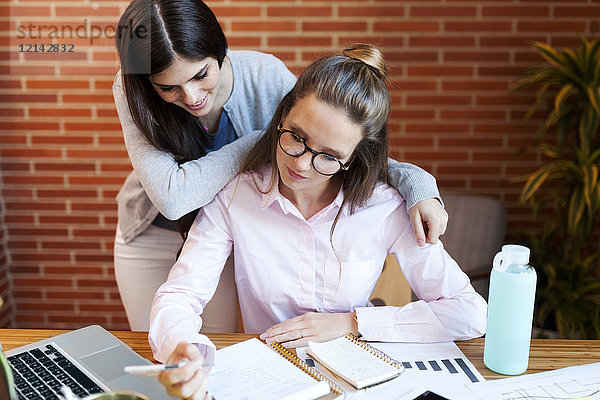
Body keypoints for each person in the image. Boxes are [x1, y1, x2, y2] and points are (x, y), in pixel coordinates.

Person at [149, 44, 487, 399]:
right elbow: (180, 295)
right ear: (282, 115)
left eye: (329, 156)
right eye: (297, 137)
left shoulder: (384, 207)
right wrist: (180, 347)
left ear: (355, 157)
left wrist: (351, 323)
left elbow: (469, 313)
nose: (302, 165)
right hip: (268, 380)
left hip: (361, 379)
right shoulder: (236, 196)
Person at [113, 0, 449, 332]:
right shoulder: (132, 89)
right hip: (153, 231)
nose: (191, 97)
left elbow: (338, 142)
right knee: (154, 344)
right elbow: (172, 199)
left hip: (229, 228)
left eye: (201, 75)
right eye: (168, 87)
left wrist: (419, 186)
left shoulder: (264, 76)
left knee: (212, 345)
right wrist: (263, 140)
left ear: (220, 50)